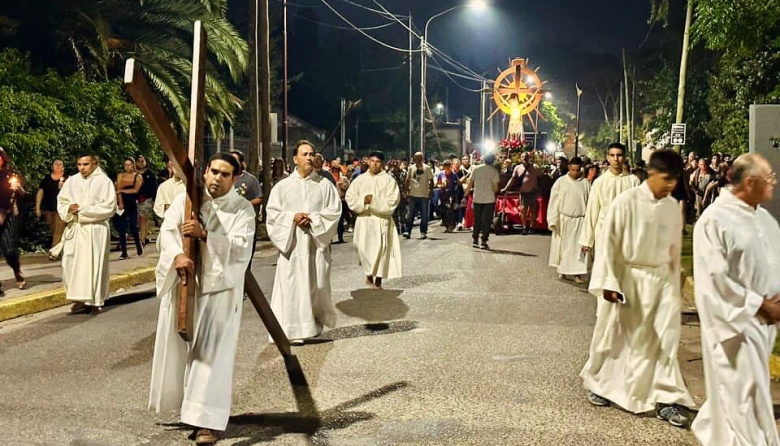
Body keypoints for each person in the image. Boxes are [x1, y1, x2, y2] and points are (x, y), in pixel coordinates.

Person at [148, 153, 255, 446]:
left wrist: (206, 235)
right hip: (189, 284)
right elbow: (167, 233)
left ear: (234, 179)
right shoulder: (187, 199)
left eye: (225, 174)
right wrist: (179, 255)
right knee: (186, 352)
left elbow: (241, 250)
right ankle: (189, 410)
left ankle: (207, 422)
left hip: (220, 291)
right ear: (205, 172)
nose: (217, 179)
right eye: (214, 172)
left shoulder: (242, 210)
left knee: (211, 357)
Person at [581, 150, 694, 427]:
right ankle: (600, 383)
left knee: (662, 343)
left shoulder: (669, 207)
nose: (670, 185)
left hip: (658, 283)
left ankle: (666, 399)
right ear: (652, 174)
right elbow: (608, 244)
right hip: (626, 280)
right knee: (616, 338)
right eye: (665, 179)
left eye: (674, 180)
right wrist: (609, 283)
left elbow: (671, 250)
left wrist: (672, 284)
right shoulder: (626, 203)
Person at [691, 154, 780, 445]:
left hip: (763, 325)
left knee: (750, 394)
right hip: (733, 325)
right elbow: (714, 279)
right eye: (769, 178)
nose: (774, 182)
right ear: (751, 182)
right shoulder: (715, 219)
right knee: (741, 395)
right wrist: (758, 305)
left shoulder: (763, 218)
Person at [265, 142, 340, 344]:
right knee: (290, 286)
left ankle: (311, 327)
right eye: (304, 154)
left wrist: (313, 219)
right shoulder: (282, 187)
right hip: (292, 247)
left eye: (311, 154)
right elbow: (272, 215)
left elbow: (334, 212)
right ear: (294, 159)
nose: (308, 158)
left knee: (315, 286)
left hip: (315, 246)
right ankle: (288, 330)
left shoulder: (325, 186)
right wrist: (292, 217)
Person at [57, 154, 117, 315]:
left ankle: (95, 301)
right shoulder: (71, 181)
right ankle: (78, 299)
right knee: (69, 263)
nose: (82, 167)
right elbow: (61, 200)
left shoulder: (104, 182)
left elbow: (109, 206)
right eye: (79, 164)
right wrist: (69, 208)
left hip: (95, 228)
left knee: (94, 264)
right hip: (75, 227)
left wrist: (82, 210)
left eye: (85, 164)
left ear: (95, 163)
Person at [346, 151, 402, 290]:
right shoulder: (359, 180)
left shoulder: (389, 180)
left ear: (382, 163)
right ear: (368, 162)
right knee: (364, 249)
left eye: (377, 161)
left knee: (381, 250)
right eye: (372, 161)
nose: (374, 164)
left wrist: (374, 201)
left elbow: (392, 202)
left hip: (381, 220)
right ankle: (369, 275)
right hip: (365, 221)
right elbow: (350, 198)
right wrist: (363, 202)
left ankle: (378, 279)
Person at [578, 143, 639, 255]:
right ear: (608, 157)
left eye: (619, 155)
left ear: (624, 157)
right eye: (612, 155)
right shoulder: (600, 182)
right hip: (603, 232)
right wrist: (587, 240)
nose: (616, 159)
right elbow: (592, 211)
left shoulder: (633, 181)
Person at [547, 157, 590, 283]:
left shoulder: (586, 183)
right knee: (564, 248)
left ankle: (577, 274)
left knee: (578, 249)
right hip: (564, 220)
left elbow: (590, 202)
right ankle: (563, 270)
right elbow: (554, 201)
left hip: (580, 220)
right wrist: (553, 220)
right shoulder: (560, 182)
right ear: (569, 169)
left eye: (577, 170)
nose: (575, 173)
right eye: (573, 170)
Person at [0, 148, 26, 294]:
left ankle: (16, 270)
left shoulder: (10, 175)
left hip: (9, 214)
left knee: (9, 249)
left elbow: (23, 195)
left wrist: (18, 188)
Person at [467, 153, 500, 250]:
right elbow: (495, 186)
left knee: (477, 219)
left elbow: (470, 182)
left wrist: (466, 192)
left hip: (477, 197)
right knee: (486, 220)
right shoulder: (494, 171)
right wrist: (495, 192)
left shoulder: (476, 169)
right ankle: (484, 241)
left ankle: (475, 239)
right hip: (489, 198)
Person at [501, 152, 540, 234]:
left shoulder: (534, 167)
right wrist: (505, 188)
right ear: (520, 158)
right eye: (523, 157)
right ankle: (524, 227)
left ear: (529, 158)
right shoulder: (518, 168)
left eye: (526, 157)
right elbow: (512, 179)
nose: (524, 158)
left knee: (533, 210)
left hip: (533, 192)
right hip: (523, 192)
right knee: (523, 210)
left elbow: (541, 175)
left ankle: (532, 227)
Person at [35, 159, 67, 258]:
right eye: (56, 164)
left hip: (61, 209)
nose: (58, 166)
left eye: (60, 164)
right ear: (52, 166)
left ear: (63, 167)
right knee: (54, 230)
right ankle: (61, 250)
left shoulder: (67, 179)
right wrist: (37, 207)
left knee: (58, 230)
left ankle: (54, 253)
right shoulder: (46, 179)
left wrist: (63, 188)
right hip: (48, 208)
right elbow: (40, 192)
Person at [115, 158, 144, 259]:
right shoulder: (120, 176)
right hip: (122, 203)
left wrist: (122, 191)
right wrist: (120, 202)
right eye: (125, 165)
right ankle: (124, 252)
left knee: (133, 227)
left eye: (129, 165)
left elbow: (135, 190)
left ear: (133, 165)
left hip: (132, 202)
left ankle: (138, 245)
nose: (127, 167)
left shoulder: (138, 177)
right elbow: (118, 190)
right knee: (122, 228)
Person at [403, 151, 434, 239]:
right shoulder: (411, 168)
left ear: (422, 159)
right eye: (416, 157)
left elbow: (431, 181)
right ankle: (407, 231)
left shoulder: (427, 168)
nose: (418, 159)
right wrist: (405, 191)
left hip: (424, 194)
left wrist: (430, 191)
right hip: (413, 194)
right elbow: (407, 180)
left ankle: (423, 231)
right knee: (410, 214)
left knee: (424, 214)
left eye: (419, 158)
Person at [436, 160, 463, 233]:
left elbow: (458, 183)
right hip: (443, 194)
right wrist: (442, 184)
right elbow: (437, 185)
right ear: (444, 168)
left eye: (449, 167)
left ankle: (451, 225)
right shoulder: (441, 174)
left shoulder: (453, 174)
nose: (448, 169)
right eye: (446, 168)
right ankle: (447, 225)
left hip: (451, 194)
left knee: (450, 210)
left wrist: (456, 184)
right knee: (443, 210)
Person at [135, 155, 157, 246]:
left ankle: (142, 239)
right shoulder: (133, 174)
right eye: (139, 161)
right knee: (138, 220)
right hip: (134, 199)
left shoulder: (150, 174)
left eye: (142, 161)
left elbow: (153, 188)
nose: (141, 163)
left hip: (146, 199)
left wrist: (153, 199)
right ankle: (143, 235)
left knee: (143, 219)